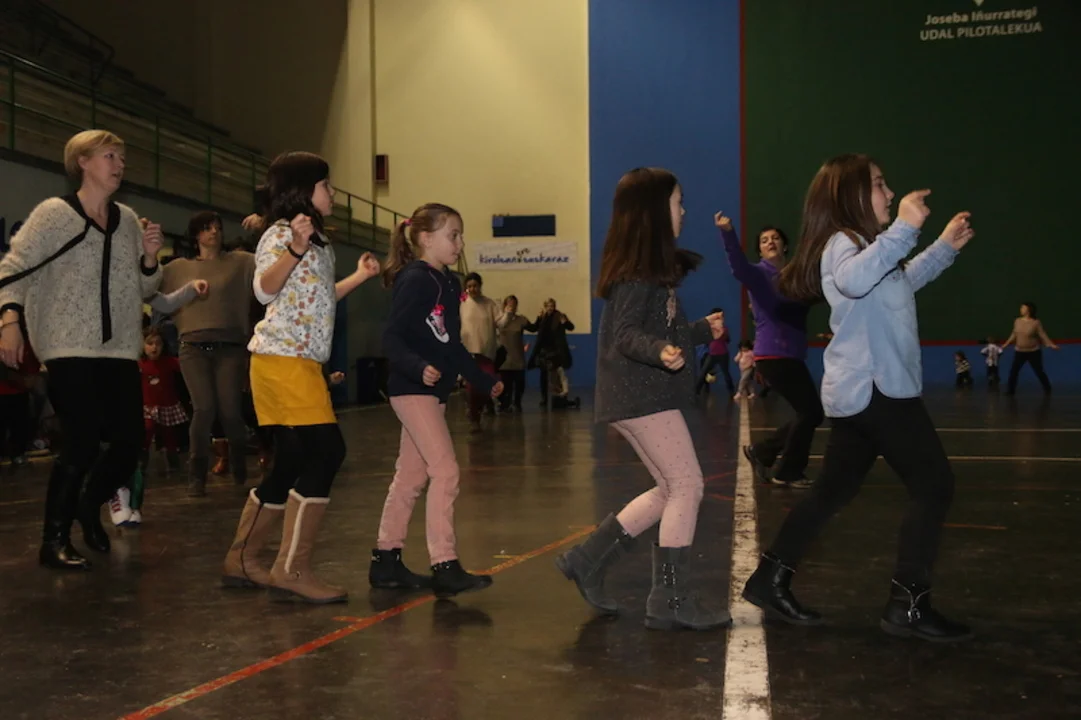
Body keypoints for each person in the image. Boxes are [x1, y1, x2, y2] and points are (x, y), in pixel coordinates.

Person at [743, 153, 975, 642]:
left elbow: (898, 283)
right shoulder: (843, 245)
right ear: (851, 195)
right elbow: (854, 279)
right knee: (934, 484)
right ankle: (908, 604)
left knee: (831, 491)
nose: (889, 193)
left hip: (862, 393)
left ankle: (769, 578)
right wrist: (906, 228)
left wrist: (942, 249)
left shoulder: (868, 248)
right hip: (877, 390)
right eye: (879, 184)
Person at [555, 167, 729, 631]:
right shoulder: (636, 276)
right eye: (677, 201)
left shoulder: (651, 273)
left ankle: (588, 560)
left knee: (670, 489)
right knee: (688, 486)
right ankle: (670, 598)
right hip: (641, 395)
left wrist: (697, 332)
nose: (684, 210)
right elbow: (627, 334)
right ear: (653, 212)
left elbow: (658, 332)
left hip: (639, 395)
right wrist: (658, 351)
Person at [220, 151, 381, 603]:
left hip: (292, 363)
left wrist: (359, 277)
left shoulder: (317, 242)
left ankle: (241, 558)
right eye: (326, 185)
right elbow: (264, 289)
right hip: (284, 362)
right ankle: (291, 569)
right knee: (328, 453)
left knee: (291, 461)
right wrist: (293, 247)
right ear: (304, 190)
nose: (333, 193)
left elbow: (318, 297)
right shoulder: (282, 234)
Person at [0, 129, 164, 570]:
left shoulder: (128, 220)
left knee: (129, 443)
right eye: (110, 156)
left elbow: (147, 286)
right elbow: (13, 268)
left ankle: (87, 506)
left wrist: (151, 258)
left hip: (120, 348)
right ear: (83, 163)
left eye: (122, 158)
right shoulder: (53, 214)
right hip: (66, 343)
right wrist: (10, 321)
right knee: (83, 440)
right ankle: (52, 539)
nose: (119, 165)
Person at [371, 203, 504, 598]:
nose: (460, 243)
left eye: (461, 235)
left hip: (431, 392)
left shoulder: (447, 281)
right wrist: (417, 367)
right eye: (453, 235)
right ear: (426, 239)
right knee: (445, 471)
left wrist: (484, 380)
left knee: (411, 477)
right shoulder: (416, 280)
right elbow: (392, 337)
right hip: (412, 389)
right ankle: (444, 563)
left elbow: (451, 345)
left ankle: (386, 560)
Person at [718, 217, 821, 488]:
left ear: (785, 246)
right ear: (760, 251)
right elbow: (738, 267)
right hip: (773, 355)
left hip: (792, 355)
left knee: (810, 412)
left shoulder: (796, 277)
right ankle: (787, 470)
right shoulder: (758, 275)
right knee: (810, 411)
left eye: (775, 238)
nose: (770, 242)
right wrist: (728, 233)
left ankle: (763, 451)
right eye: (764, 241)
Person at [160, 211, 257, 495]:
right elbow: (148, 283)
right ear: (195, 235)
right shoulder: (177, 268)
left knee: (230, 411)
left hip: (230, 346)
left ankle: (239, 465)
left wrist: (264, 225)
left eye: (217, 227)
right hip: (192, 346)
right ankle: (197, 474)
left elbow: (271, 259)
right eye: (206, 228)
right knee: (203, 409)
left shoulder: (241, 262)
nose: (214, 232)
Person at [459, 272, 500, 429]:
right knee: (472, 387)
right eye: (469, 286)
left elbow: (500, 322)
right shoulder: (461, 303)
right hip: (468, 352)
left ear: (480, 286)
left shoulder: (489, 304)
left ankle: (477, 410)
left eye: (475, 286)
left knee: (487, 384)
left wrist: (509, 313)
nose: (472, 289)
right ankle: (474, 417)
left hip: (486, 352)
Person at [1001, 302, 1058, 395]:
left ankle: (1047, 387)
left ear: (1029, 310)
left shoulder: (1035, 322)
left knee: (1039, 371)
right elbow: (1014, 334)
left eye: (1023, 308)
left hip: (1033, 351)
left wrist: (1051, 344)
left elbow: (1042, 334)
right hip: (1019, 351)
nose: (1021, 309)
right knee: (1014, 371)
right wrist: (1006, 344)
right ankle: (1010, 391)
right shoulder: (1017, 321)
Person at [526, 298, 574, 406]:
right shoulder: (542, 317)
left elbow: (571, 327)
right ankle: (544, 398)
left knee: (557, 374)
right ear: (545, 307)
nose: (550, 308)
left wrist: (565, 322)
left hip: (556, 350)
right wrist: (538, 318)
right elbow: (535, 328)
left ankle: (559, 397)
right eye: (548, 306)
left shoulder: (560, 316)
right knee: (543, 374)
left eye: (552, 306)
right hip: (544, 350)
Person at [495, 294, 533, 412]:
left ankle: (517, 403)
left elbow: (533, 328)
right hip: (504, 358)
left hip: (517, 356)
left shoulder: (521, 320)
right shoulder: (499, 320)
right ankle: (504, 403)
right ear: (505, 305)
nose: (512, 306)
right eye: (509, 304)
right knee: (505, 384)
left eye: (514, 304)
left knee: (519, 384)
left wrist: (541, 317)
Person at [695, 307, 734, 396]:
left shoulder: (724, 328)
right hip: (712, 354)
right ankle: (696, 391)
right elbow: (705, 340)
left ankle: (731, 391)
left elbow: (728, 340)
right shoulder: (709, 328)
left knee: (726, 373)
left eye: (722, 316)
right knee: (703, 372)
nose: (721, 318)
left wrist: (723, 333)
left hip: (723, 354)